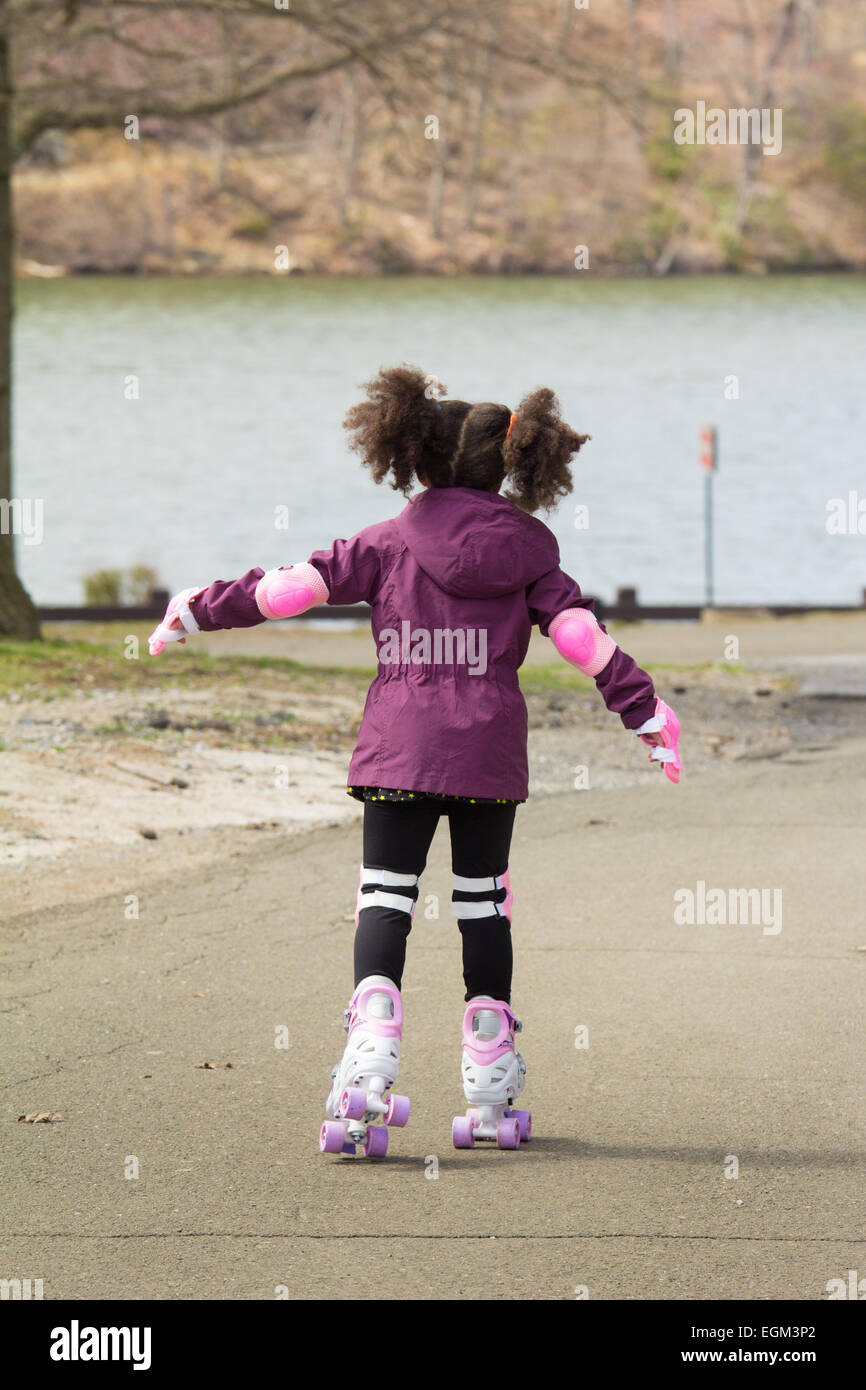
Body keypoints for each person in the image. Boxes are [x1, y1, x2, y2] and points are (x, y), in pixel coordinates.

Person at [148, 365, 681, 1158]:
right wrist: (645, 712)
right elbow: (578, 635)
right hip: (487, 753)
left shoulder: (386, 542)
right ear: (506, 466)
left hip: (399, 750)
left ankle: (368, 1057)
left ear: (416, 460)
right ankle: (490, 1074)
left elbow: (289, 591)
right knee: (483, 904)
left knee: (385, 899)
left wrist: (196, 608)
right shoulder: (530, 551)